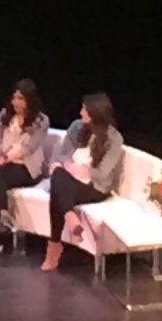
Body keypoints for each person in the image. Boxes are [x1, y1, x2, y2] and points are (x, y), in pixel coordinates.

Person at [40, 92, 124, 272]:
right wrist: (69, 165)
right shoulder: (77, 127)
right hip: (70, 178)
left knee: (58, 186)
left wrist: (83, 170)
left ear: (95, 113)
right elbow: (60, 155)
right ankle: (70, 217)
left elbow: (102, 174)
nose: (80, 113)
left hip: (95, 188)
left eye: (84, 110)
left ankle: (54, 248)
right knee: (59, 176)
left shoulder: (114, 138)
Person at [0, 78, 50, 257]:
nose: (16, 103)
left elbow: (28, 149)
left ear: (30, 100)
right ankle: (2, 221)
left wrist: (1, 159)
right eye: (14, 98)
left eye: (21, 99)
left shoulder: (41, 121)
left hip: (28, 169)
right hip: (5, 166)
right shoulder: (5, 115)